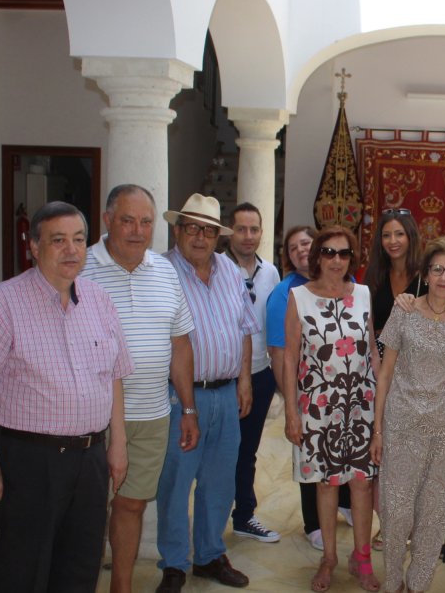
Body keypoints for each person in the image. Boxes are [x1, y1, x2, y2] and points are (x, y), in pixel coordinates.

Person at [0, 201, 133, 593]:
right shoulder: (2, 303)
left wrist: (118, 444)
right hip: (30, 462)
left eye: (78, 239)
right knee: (22, 571)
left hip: (90, 459)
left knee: (81, 566)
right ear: (34, 246)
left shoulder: (99, 300)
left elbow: (113, 376)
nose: (71, 250)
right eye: (58, 240)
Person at [80, 185, 198, 593]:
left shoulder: (165, 271)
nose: (137, 230)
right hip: (90, 420)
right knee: (86, 512)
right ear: (107, 221)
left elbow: (180, 345)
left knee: (130, 504)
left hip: (151, 415)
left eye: (145, 222)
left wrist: (188, 409)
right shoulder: (81, 268)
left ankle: (122, 587)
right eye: (127, 220)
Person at [157, 193, 257, 592]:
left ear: (218, 237)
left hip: (226, 393)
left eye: (209, 230)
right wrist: (186, 405)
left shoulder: (231, 271)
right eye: (192, 228)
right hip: (180, 397)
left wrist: (245, 380)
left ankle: (210, 555)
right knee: (176, 483)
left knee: (219, 481)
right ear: (178, 231)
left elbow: (245, 329)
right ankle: (174, 564)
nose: (200, 237)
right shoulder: (160, 272)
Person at [282, 226, 380, 592]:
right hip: (319, 405)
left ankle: (362, 558)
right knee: (326, 483)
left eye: (343, 253)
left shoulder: (364, 294)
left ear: (351, 258)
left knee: (362, 483)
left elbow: (372, 350)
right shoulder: (299, 297)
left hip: (361, 404)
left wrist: (380, 411)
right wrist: (291, 413)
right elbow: (290, 357)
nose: (336, 260)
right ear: (317, 256)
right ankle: (329, 558)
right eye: (328, 252)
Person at [370, 235, 445, 593]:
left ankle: (418, 583)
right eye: (438, 269)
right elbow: (385, 373)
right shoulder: (405, 311)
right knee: (396, 510)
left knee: (433, 511)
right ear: (426, 274)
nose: (444, 277)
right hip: (402, 424)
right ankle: (393, 580)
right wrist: (377, 430)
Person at [267, 225, 353, 551]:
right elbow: (281, 352)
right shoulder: (285, 293)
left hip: (343, 391)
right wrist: (292, 401)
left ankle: (342, 503)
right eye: (293, 248)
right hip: (309, 392)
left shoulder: (347, 285)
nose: (301, 250)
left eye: (306, 243)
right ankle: (313, 523)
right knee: (311, 459)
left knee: (342, 452)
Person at [224, 203, 283, 543]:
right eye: (241, 229)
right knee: (219, 453)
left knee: (247, 451)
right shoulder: (216, 268)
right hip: (224, 377)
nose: (248, 236)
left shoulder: (270, 273)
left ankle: (244, 515)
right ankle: (211, 522)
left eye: (254, 229)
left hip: (260, 374)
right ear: (230, 231)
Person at [365, 207, 429, 344]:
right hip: (379, 353)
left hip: (414, 353)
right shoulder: (375, 275)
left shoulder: (427, 277)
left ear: (410, 236)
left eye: (399, 234)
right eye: (386, 235)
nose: (392, 241)